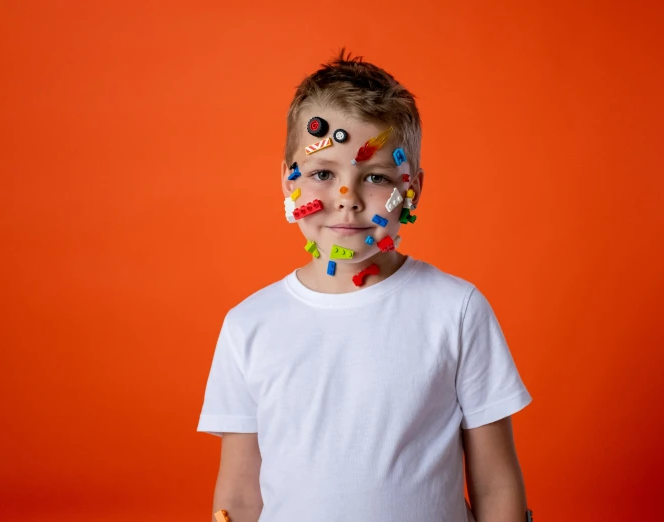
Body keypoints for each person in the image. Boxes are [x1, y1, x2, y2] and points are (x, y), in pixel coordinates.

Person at [197, 48, 533, 522]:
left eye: (375, 176)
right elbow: (240, 495)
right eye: (322, 173)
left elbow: (497, 486)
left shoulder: (456, 310)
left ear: (411, 188)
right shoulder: (248, 325)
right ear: (286, 181)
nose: (347, 199)